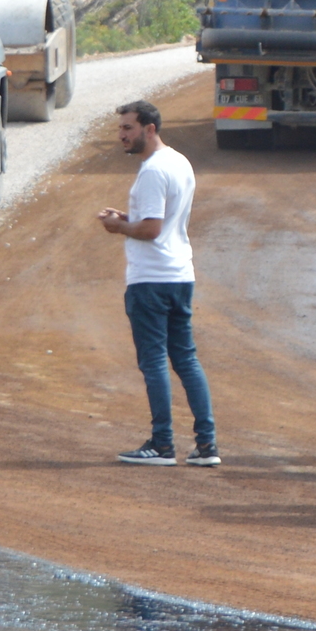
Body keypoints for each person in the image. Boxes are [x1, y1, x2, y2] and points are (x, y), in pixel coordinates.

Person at [98, 98, 219, 467]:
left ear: (150, 129)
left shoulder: (152, 170)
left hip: (150, 279)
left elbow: (151, 229)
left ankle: (162, 444)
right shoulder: (179, 162)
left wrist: (118, 225)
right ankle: (206, 445)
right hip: (180, 273)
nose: (121, 135)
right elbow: (160, 220)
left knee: (153, 361)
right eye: (120, 128)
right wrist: (127, 216)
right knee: (185, 358)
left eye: (128, 128)